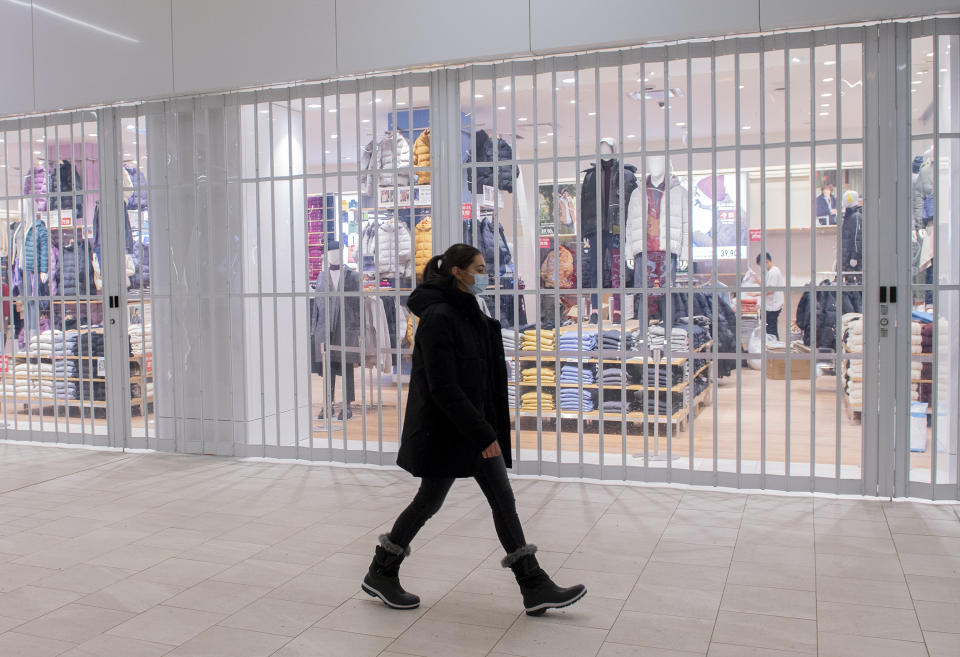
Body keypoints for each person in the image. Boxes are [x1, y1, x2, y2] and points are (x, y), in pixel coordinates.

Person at [362, 243, 586, 616]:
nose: (485, 276)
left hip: (474, 428)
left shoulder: (469, 311)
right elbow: (444, 387)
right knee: (432, 501)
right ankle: (381, 572)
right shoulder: (438, 318)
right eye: (479, 269)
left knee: (494, 500)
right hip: (450, 432)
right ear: (457, 272)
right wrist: (484, 435)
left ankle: (534, 586)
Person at [757, 252, 785, 339]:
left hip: (773, 306)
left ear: (766, 261)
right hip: (772, 305)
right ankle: (773, 348)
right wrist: (755, 278)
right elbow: (766, 286)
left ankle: (774, 349)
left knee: (771, 331)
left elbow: (770, 290)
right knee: (771, 330)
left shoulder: (773, 272)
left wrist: (756, 294)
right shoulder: (772, 271)